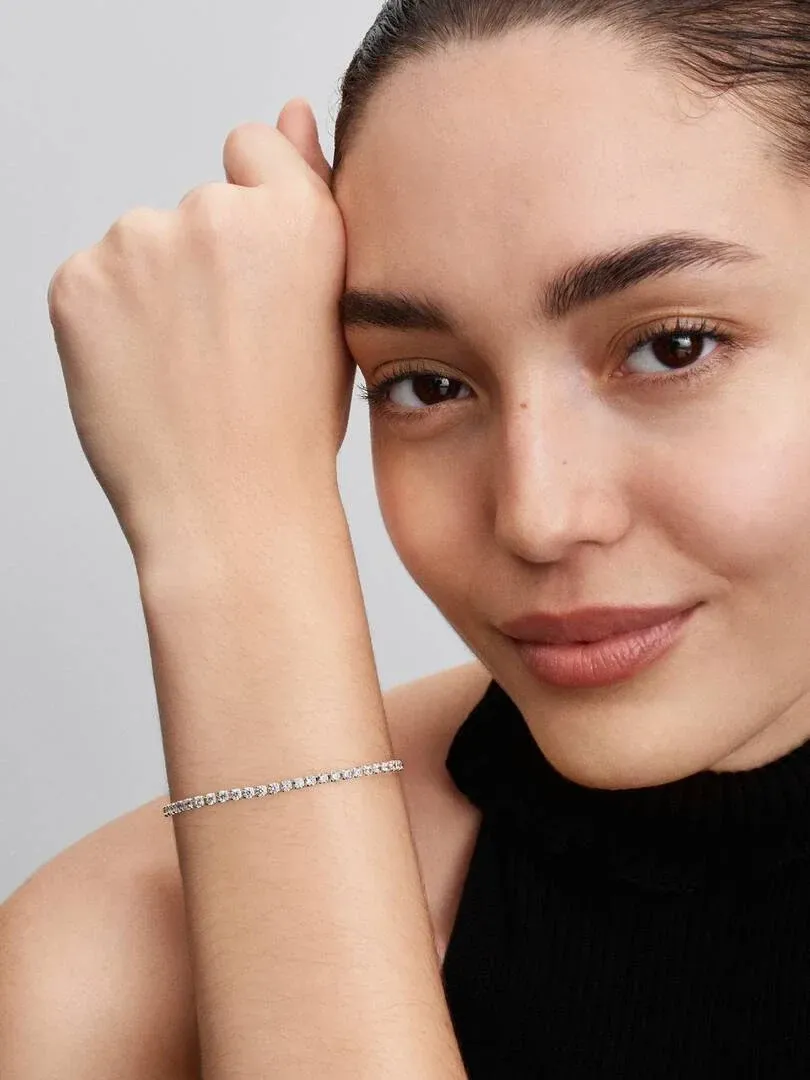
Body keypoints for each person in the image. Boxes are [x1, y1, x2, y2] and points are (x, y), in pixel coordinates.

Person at [4, 0, 810, 1075]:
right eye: (424, 384)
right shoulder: (115, 963)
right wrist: (236, 534)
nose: (536, 516)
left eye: (671, 348)